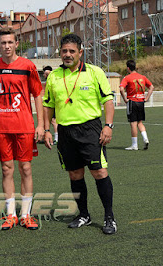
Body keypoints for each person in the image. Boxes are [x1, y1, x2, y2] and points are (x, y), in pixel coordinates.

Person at [43, 34, 117, 234]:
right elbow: (48, 105)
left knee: (100, 173)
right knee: (75, 174)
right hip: (65, 132)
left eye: (72, 51)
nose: (67, 55)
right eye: (64, 51)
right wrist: (46, 130)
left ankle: (109, 217)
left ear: (80, 52)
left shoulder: (94, 72)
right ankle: (83, 214)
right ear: (60, 52)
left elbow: (108, 101)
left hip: (90, 130)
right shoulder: (54, 76)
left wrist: (108, 126)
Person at [0, 27, 44, 231]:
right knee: (6, 169)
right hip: (1, 126)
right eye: (3, 43)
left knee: (26, 168)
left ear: (16, 44)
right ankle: (10, 214)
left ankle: (26, 214)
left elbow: (38, 94)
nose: (7, 46)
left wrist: (41, 125)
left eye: (10, 42)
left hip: (24, 126)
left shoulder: (28, 66)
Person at [119, 60, 154, 151]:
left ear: (128, 68)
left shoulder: (127, 77)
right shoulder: (142, 77)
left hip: (132, 101)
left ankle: (134, 145)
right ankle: (145, 138)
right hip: (141, 101)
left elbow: (121, 89)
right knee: (140, 122)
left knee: (133, 123)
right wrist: (146, 98)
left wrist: (125, 99)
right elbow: (151, 87)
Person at [43, 65, 58, 144]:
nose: (44, 75)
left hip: (52, 103)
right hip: (53, 102)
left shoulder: (51, 79)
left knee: (53, 121)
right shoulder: (53, 78)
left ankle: (56, 137)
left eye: (45, 74)